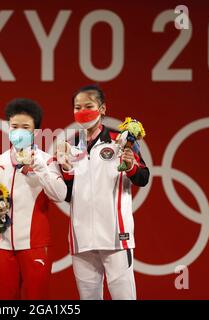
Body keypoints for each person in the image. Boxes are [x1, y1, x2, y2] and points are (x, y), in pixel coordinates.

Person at [59, 85, 150, 300]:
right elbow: (68, 194)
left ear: (102, 109)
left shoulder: (122, 140)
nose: (82, 111)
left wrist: (131, 167)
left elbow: (143, 177)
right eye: (77, 107)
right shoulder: (72, 145)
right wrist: (65, 169)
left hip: (115, 237)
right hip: (82, 239)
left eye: (88, 106)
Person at [0, 98, 67, 299]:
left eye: (25, 127)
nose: (19, 131)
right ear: (8, 127)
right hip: (3, 246)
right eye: (14, 126)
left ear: (35, 132)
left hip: (35, 246)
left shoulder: (47, 160)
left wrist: (39, 167)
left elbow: (60, 195)